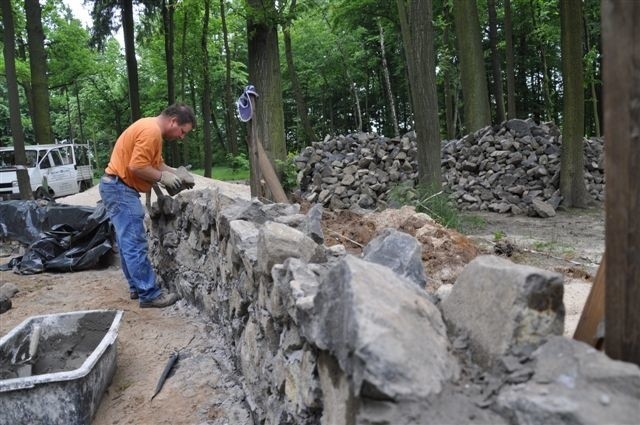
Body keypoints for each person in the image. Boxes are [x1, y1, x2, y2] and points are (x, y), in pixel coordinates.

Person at [99, 103, 196, 308]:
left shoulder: (150, 128)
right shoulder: (151, 131)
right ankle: (149, 294)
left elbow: (156, 164)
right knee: (134, 243)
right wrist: (163, 178)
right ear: (173, 121)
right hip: (121, 189)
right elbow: (137, 166)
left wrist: (175, 173)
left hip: (116, 187)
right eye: (182, 131)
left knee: (127, 243)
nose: (181, 137)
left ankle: (137, 286)